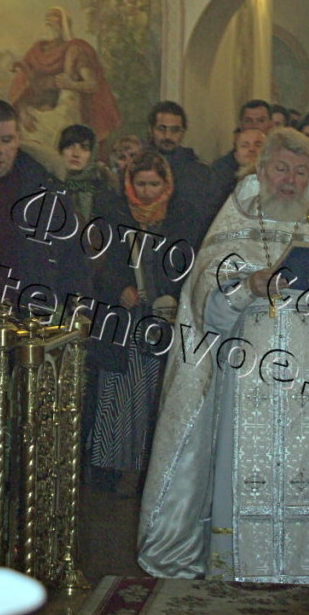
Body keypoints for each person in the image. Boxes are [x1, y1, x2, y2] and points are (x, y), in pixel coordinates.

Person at [138, 127, 309, 585]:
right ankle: (240, 569)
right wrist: (248, 287)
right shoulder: (231, 228)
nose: (290, 180)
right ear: (260, 170)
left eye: (301, 171)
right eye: (281, 169)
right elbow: (203, 308)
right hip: (245, 378)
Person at [88, 150, 200, 497]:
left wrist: (172, 295)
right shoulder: (114, 213)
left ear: (166, 184)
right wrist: (118, 287)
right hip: (123, 322)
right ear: (130, 184)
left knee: (155, 394)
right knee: (119, 395)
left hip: (163, 321)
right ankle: (114, 469)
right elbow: (98, 262)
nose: (148, 192)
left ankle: (151, 471)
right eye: (141, 184)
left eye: (154, 184)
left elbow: (190, 265)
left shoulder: (182, 217)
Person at [0, 98, 89, 319]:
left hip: (32, 318)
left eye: (6, 140)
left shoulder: (46, 190)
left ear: (18, 139)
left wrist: (73, 314)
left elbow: (73, 261)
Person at [8, 6, 121, 160]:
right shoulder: (37, 51)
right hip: (34, 116)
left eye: (55, 24)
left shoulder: (74, 50)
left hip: (63, 115)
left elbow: (92, 84)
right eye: (48, 23)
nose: (50, 27)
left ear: (63, 27)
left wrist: (71, 85)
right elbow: (22, 85)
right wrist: (22, 111)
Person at [147, 100, 215, 243]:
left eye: (175, 130)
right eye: (162, 129)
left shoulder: (199, 173)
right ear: (151, 130)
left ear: (183, 133)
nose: (167, 136)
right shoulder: (136, 167)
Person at [57, 123, 115, 220]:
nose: (76, 154)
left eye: (84, 148)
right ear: (60, 150)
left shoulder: (101, 190)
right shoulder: (50, 184)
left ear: (92, 154)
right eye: (69, 146)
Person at [211, 127, 266, 207]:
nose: (252, 149)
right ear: (236, 155)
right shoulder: (221, 178)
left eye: (258, 145)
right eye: (245, 146)